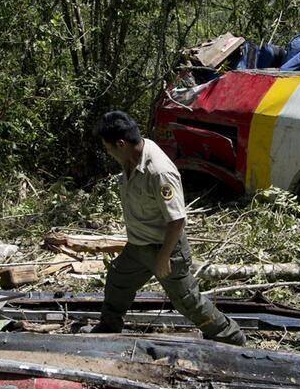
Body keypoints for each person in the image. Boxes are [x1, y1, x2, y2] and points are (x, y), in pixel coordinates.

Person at [90, 110, 245, 345]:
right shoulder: (131, 158)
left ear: (121, 144)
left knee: (186, 299)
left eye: (108, 148)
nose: (108, 153)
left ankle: (230, 336)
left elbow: (177, 219)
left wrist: (163, 257)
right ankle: (109, 326)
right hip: (138, 245)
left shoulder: (159, 171)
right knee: (117, 282)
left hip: (165, 248)